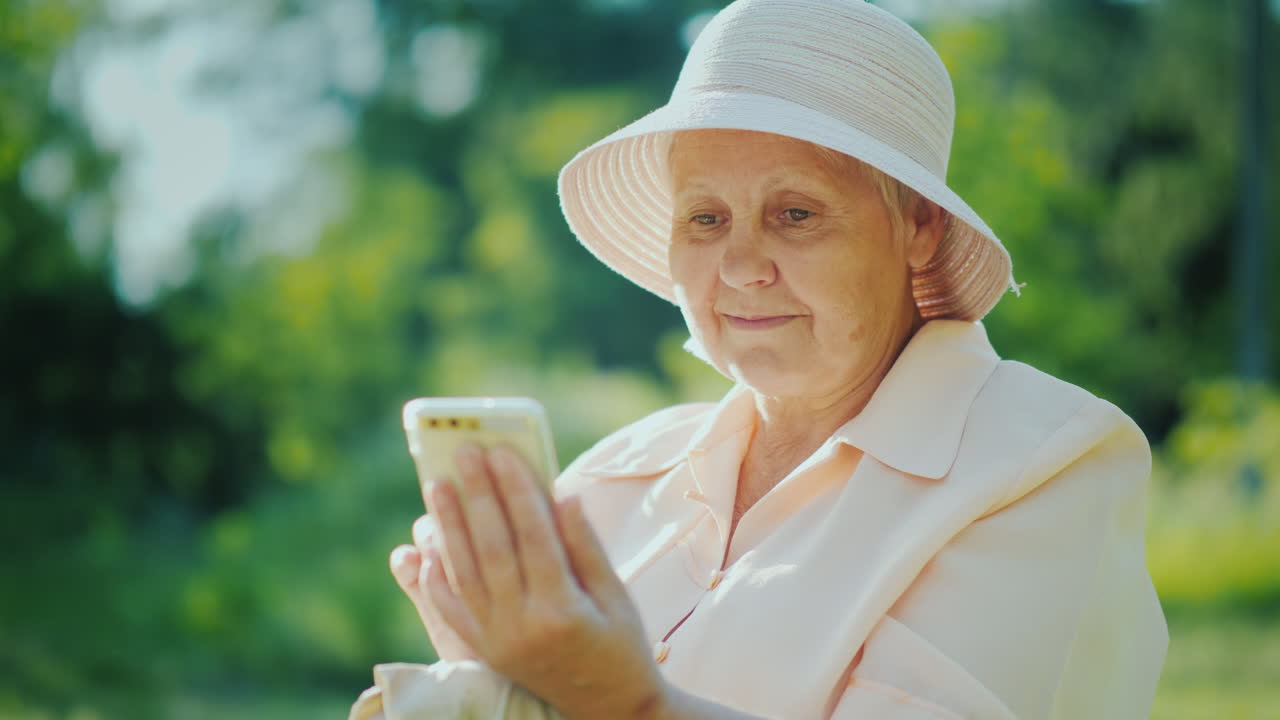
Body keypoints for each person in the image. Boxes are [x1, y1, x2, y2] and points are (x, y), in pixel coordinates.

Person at [350, 0, 1169, 717]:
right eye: (706, 219)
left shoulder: (1048, 460)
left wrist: (623, 703)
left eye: (796, 213)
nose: (741, 267)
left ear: (918, 225)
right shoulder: (609, 480)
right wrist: (496, 681)